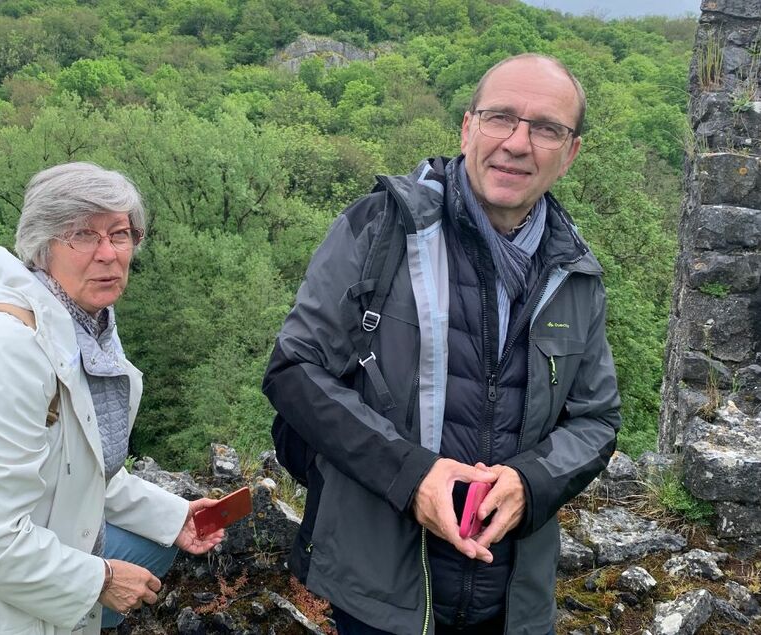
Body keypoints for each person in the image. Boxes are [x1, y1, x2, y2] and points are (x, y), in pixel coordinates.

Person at [263, 54, 621, 635]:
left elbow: (596, 420)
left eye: (546, 128)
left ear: (571, 151)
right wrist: (413, 475)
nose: (517, 142)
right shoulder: (380, 228)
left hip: (514, 599)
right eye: (500, 117)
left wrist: (531, 483)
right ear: (467, 127)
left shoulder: (574, 272)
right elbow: (294, 370)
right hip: (382, 589)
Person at [0, 162, 225, 635]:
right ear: (42, 247)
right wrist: (99, 578)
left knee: (157, 544)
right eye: (83, 235)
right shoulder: (7, 349)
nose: (108, 254)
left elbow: (78, 467)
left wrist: (174, 516)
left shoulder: (85, 332)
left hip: (26, 576)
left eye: (120, 234)